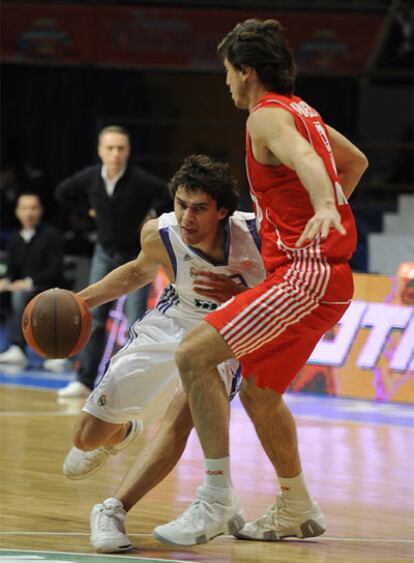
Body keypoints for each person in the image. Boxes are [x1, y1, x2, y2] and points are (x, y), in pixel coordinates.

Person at [153, 19, 369, 546]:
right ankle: (296, 505)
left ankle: (215, 496)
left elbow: (305, 159)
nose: (226, 82)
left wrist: (322, 206)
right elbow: (354, 161)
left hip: (306, 274)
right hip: (330, 278)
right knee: (260, 391)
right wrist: (317, 207)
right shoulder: (304, 111)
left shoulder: (266, 116)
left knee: (194, 354)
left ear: (246, 71)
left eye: (228, 72)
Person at [61, 154, 266, 553]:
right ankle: (121, 433)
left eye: (200, 208)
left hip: (225, 336)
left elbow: (286, 295)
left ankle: (113, 510)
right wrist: (81, 301)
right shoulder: (161, 233)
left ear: (223, 211)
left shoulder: (257, 239)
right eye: (181, 204)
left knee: (179, 417)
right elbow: (139, 271)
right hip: (172, 323)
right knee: (85, 438)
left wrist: (241, 297)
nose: (187, 217)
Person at [55, 125, 170, 398]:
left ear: (128, 151)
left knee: (136, 319)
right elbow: (62, 193)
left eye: (120, 148)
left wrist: (153, 215)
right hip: (104, 253)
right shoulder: (91, 178)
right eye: (110, 148)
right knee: (92, 315)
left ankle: (133, 383)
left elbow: (166, 196)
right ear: (100, 151)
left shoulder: (141, 180)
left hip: (136, 256)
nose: (115, 153)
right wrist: (88, 212)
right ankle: (84, 380)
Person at [0, 192, 64, 366]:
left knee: (20, 295)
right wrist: (5, 280)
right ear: (17, 212)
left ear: (40, 211)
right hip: (20, 288)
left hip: (47, 289)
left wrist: (29, 282)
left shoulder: (52, 235)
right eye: (25, 208)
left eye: (33, 208)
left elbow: (55, 270)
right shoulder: (14, 238)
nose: (29, 213)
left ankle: (18, 348)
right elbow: (11, 270)